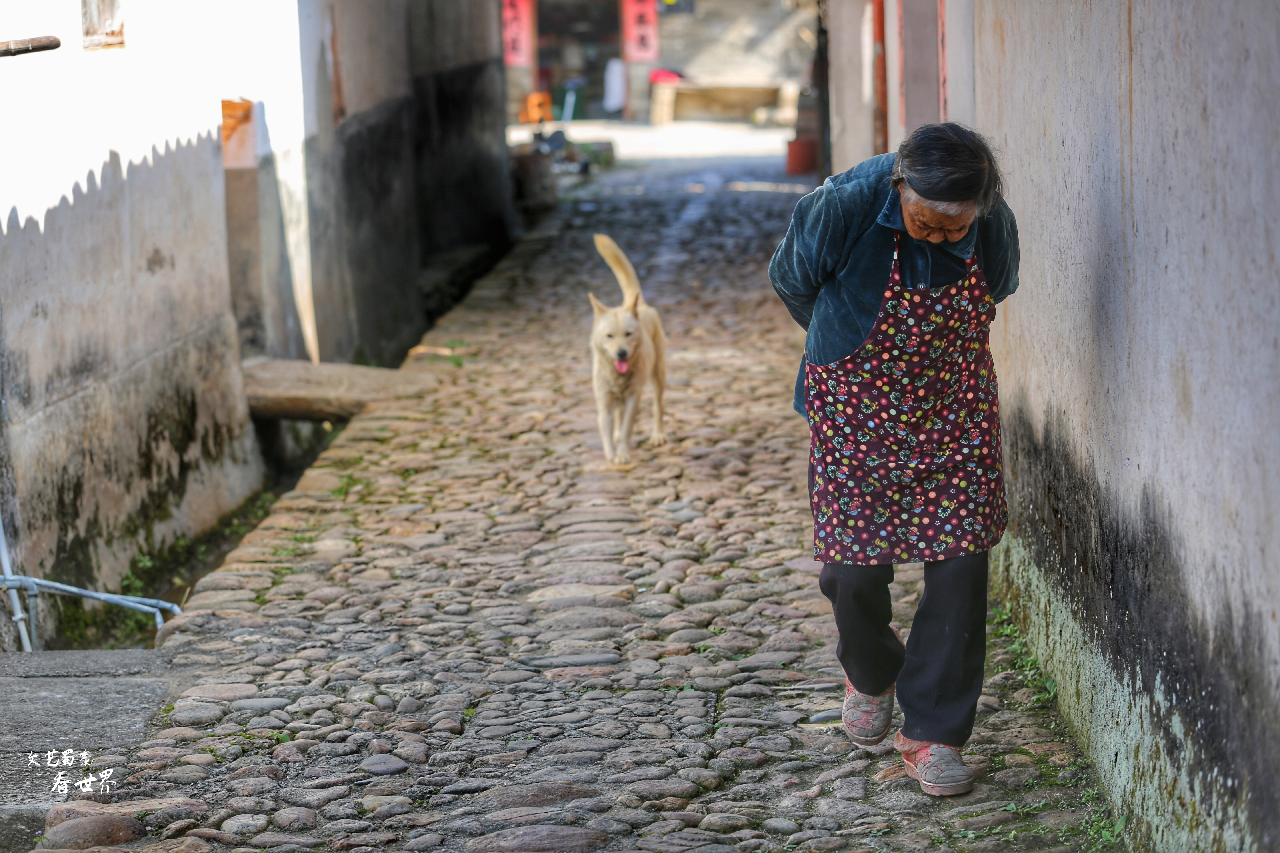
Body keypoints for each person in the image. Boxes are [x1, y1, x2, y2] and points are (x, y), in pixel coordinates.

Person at [770, 123, 1020, 797]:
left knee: (961, 564)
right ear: (900, 186)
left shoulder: (990, 220)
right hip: (855, 405)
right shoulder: (844, 203)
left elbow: (999, 283)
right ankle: (871, 671)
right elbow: (791, 279)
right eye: (924, 222)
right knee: (852, 569)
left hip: (952, 407)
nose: (937, 236)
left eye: (953, 228)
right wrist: (845, 338)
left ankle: (935, 734)